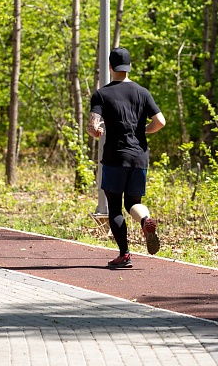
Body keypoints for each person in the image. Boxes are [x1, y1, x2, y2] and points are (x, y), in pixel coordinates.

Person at [87, 47, 166, 269]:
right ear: (129, 67)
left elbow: (93, 126)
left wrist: (96, 132)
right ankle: (145, 221)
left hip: (115, 157)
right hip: (139, 157)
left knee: (114, 206)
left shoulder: (102, 94)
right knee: (133, 203)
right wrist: (144, 131)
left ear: (110, 67)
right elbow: (160, 122)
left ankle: (124, 255)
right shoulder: (143, 92)